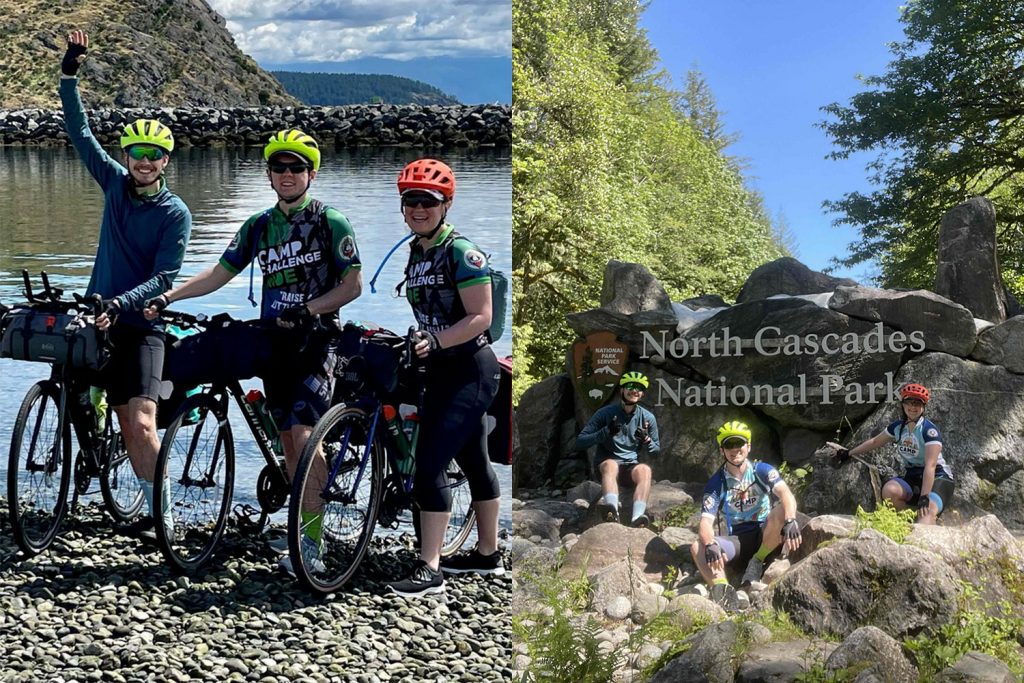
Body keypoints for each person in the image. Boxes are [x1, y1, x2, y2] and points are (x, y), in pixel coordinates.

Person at [143, 129, 362, 573]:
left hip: (317, 343)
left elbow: (353, 285)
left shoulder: (329, 221)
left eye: (296, 168)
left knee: (303, 436)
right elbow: (220, 273)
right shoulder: (260, 225)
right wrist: (169, 298)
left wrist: (310, 309)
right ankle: (299, 522)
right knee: (285, 438)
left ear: (311, 174)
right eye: (279, 167)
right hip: (273, 340)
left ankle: (312, 545)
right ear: (268, 174)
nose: (287, 174)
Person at [60, 30, 192, 542]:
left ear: (165, 161)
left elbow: (164, 277)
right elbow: (80, 132)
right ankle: (101, 467)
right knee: (71, 390)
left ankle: (165, 514)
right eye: (137, 151)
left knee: (138, 423)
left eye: (153, 154)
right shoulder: (114, 184)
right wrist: (70, 74)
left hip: (141, 326)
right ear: (128, 155)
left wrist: (123, 302)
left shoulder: (174, 213)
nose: (143, 159)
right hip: (98, 319)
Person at [384, 158, 504, 598]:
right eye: (410, 201)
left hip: (471, 369)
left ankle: (428, 568)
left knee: (429, 463)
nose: (418, 208)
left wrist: (436, 341)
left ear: (446, 204)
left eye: (428, 201)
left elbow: (481, 317)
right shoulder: (418, 250)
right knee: (474, 460)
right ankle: (488, 556)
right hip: (440, 368)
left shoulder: (461, 252)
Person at [690, 421, 802, 610]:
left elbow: (786, 495)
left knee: (782, 509)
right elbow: (705, 523)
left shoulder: (762, 470)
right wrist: (709, 545)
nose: (735, 449)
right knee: (696, 547)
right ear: (722, 450)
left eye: (739, 443)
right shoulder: (717, 482)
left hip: (767, 533)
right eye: (729, 444)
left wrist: (790, 520)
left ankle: (757, 561)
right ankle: (724, 592)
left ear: (748, 447)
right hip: (739, 540)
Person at [827, 383, 954, 525]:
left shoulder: (929, 431)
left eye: (917, 403)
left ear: (923, 406)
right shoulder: (898, 427)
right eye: (909, 402)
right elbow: (875, 442)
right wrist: (849, 453)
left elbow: (930, 465)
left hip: (937, 477)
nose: (913, 407)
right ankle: (908, 521)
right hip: (913, 476)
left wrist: (924, 496)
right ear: (903, 404)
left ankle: (923, 526)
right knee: (889, 491)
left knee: (927, 512)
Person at [575, 372, 660, 527]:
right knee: (611, 465)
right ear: (621, 390)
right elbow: (580, 441)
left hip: (630, 467)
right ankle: (611, 511)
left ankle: (637, 518)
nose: (635, 391)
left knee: (645, 470)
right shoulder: (605, 413)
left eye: (639, 388)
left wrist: (647, 440)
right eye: (631, 386)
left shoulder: (648, 417)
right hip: (606, 466)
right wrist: (605, 432)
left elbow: (656, 452)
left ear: (642, 394)